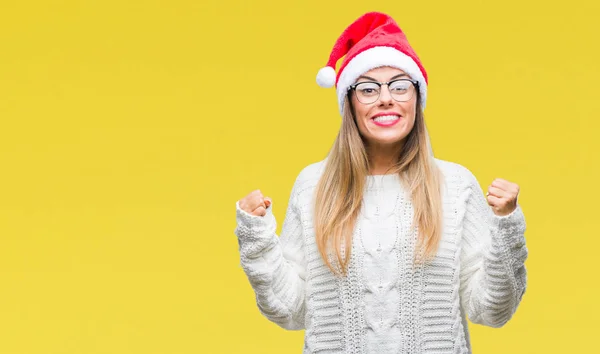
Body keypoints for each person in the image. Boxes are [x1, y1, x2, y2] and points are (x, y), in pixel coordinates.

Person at [234, 11, 528, 354]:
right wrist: (257, 241)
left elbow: (492, 311)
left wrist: (506, 227)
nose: (386, 98)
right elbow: (292, 310)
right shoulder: (313, 186)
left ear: (416, 98)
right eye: (368, 88)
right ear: (350, 102)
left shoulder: (455, 185)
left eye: (400, 86)